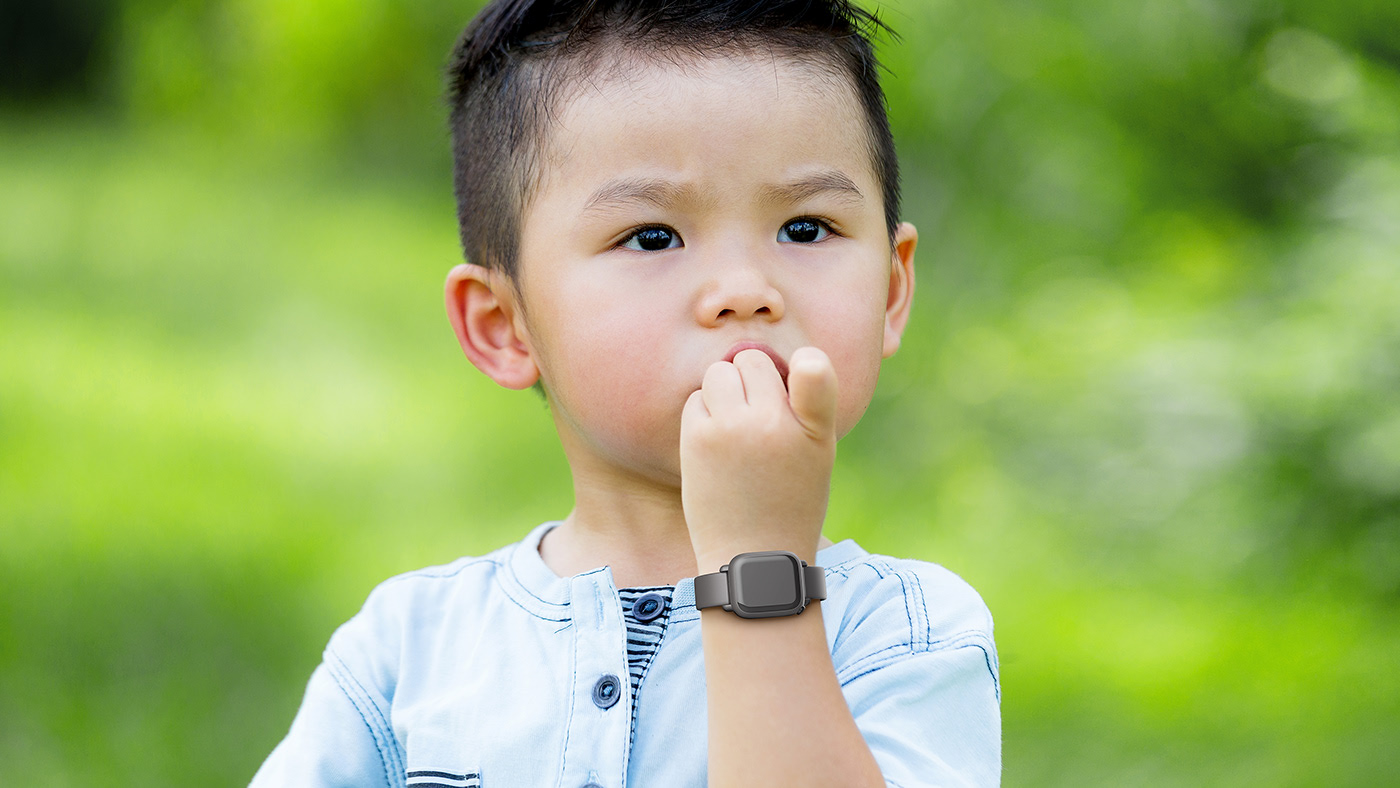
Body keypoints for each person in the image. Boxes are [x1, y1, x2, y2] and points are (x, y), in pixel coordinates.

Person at [250, 1, 1000, 785]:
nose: (746, 291)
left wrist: (761, 566)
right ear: (506, 325)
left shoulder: (909, 635)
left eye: (806, 228)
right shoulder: (408, 653)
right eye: (652, 237)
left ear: (890, 288)